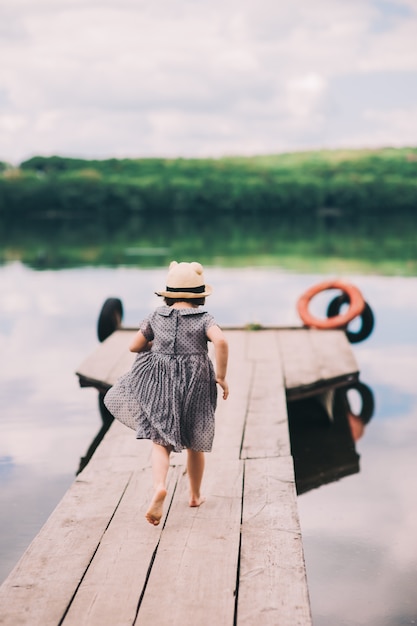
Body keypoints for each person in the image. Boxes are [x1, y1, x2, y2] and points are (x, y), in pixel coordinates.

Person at [104, 261, 229, 526]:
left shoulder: (156, 317)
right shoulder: (204, 319)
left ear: (168, 293)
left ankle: (160, 486)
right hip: (196, 381)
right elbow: (221, 341)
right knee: (196, 440)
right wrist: (220, 376)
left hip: (160, 382)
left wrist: (155, 343)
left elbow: (134, 346)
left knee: (159, 441)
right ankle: (194, 496)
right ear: (200, 294)